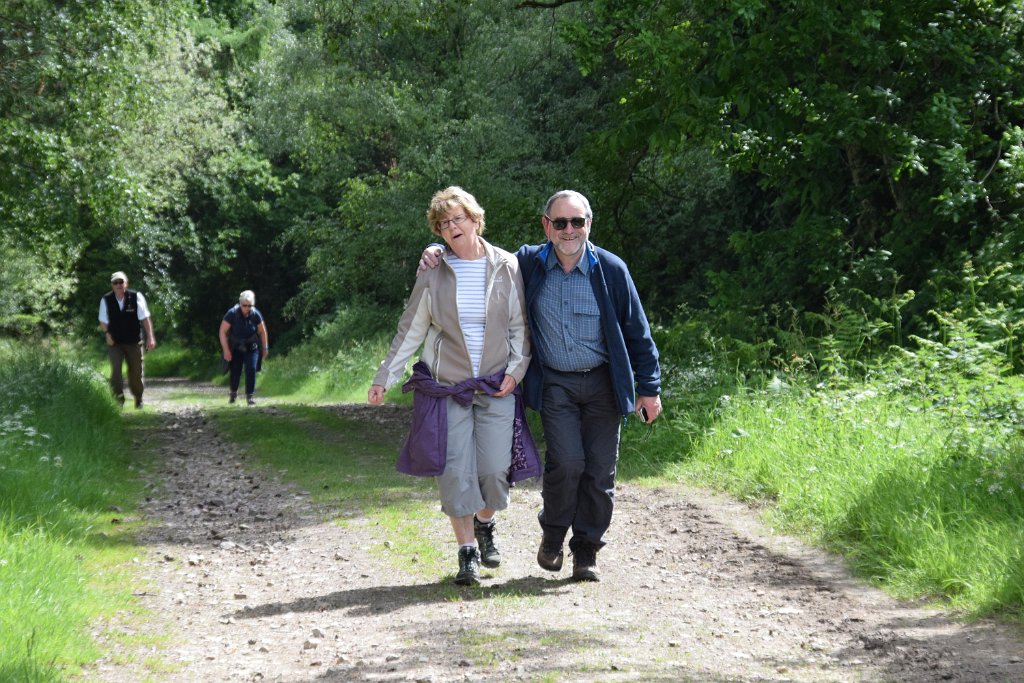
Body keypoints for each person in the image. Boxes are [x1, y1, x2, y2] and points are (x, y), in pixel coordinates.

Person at [419, 190, 662, 582]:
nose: (569, 230)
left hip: (602, 383)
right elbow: (478, 252)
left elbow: (638, 331)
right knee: (567, 463)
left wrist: (649, 388)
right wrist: (437, 248)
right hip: (556, 384)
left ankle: (586, 550)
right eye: (561, 223)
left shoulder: (611, 270)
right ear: (546, 226)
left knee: (600, 472)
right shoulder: (527, 264)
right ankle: (553, 535)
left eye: (577, 222)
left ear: (589, 224)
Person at [369, 186, 533, 587]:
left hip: (495, 386)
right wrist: (384, 377)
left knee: (495, 471)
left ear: (475, 220)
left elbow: (519, 327)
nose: (451, 227)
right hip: (447, 389)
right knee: (455, 472)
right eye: (443, 224)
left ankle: (485, 522)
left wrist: (515, 371)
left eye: (458, 218)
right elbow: (411, 330)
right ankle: (467, 552)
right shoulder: (433, 272)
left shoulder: (506, 265)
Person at [99, 271, 157, 409]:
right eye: (115, 282)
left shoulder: (136, 297)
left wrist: (150, 337)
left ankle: (138, 398)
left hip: (134, 341)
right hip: (115, 342)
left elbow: (145, 318)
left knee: (136, 372)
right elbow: (103, 320)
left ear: (126, 283)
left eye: (121, 282)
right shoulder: (106, 299)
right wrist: (107, 334)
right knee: (116, 371)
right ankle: (118, 400)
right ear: (112, 285)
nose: (118, 285)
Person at [218, 290, 270, 406]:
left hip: (252, 346)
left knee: (251, 369)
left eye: (249, 305)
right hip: (236, 346)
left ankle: (250, 396)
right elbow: (222, 331)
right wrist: (226, 350)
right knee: (235, 370)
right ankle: (233, 394)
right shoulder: (232, 313)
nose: (247, 308)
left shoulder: (255, 314)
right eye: (244, 305)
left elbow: (262, 332)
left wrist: (265, 348)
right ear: (240, 304)